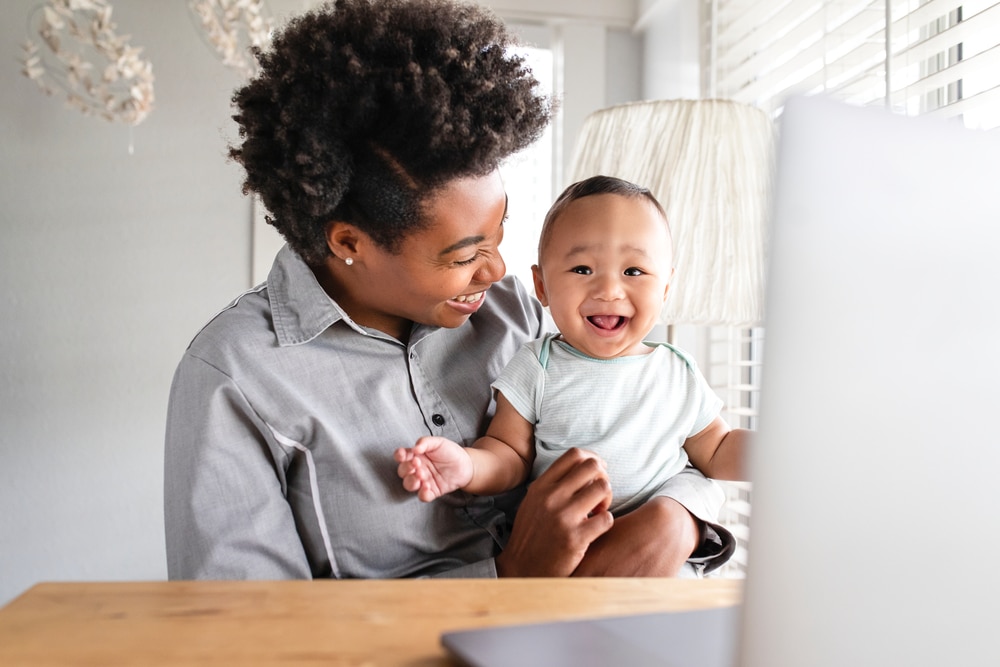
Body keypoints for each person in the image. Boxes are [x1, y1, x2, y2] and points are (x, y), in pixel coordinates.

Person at [165, 0, 686, 581]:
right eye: (463, 256)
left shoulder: (517, 315)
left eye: (500, 232)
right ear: (349, 242)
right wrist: (512, 574)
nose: (496, 271)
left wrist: (681, 516)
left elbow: (656, 442)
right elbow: (243, 623)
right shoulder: (237, 374)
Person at [395, 175, 750, 576]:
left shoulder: (677, 371)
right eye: (582, 269)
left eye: (634, 271)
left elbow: (716, 448)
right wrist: (466, 465)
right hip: (568, 557)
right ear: (542, 286)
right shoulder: (538, 365)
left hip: (665, 563)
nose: (609, 290)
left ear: (666, 287)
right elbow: (509, 453)